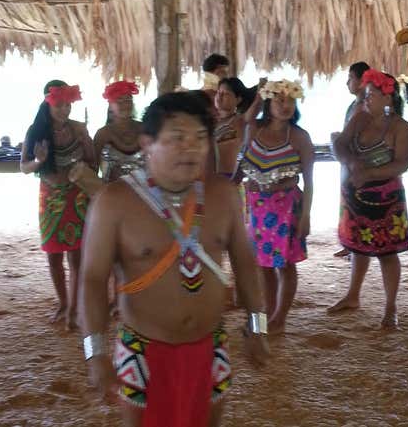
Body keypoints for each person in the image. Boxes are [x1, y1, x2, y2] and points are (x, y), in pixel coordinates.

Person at [81, 92, 269, 427]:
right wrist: (95, 353)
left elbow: (245, 262)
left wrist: (257, 326)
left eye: (200, 138)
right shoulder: (113, 202)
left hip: (210, 344)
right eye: (177, 138)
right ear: (146, 144)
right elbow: (93, 279)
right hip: (142, 348)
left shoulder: (224, 195)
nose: (191, 148)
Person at [328, 70, 408, 329]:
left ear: (387, 97)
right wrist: (351, 162)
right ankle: (353, 296)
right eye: (365, 95)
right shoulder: (360, 119)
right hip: (355, 193)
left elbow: (402, 164)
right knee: (357, 247)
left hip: (386, 198)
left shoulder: (400, 127)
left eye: (371, 95)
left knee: (387, 253)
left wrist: (368, 174)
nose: (366, 99)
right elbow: (340, 144)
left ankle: (391, 308)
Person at [237, 79, 314, 335]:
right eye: (279, 100)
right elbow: (246, 118)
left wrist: (306, 216)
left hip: (287, 207)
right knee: (263, 265)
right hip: (258, 207)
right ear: (268, 103)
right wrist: (258, 97)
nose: (285, 105)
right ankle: (267, 315)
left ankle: (279, 318)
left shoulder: (300, 137)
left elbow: (309, 181)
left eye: (290, 100)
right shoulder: (254, 129)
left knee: (285, 264)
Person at [20, 80, 96, 330]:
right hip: (50, 199)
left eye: (68, 105)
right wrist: (39, 161)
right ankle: (63, 303)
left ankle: (73, 309)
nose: (65, 110)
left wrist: (85, 164)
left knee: (76, 257)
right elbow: (24, 167)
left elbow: (93, 164)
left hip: (78, 197)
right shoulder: (36, 131)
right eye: (59, 105)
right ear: (47, 103)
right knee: (53, 256)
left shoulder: (79, 129)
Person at [332, 62, 370, 259]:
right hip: (348, 160)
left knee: (358, 202)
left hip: (359, 161)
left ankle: (357, 243)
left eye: (351, 78)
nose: (347, 83)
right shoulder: (353, 106)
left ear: (362, 80)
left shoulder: (367, 107)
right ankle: (349, 242)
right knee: (347, 200)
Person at [93, 80, 144, 183]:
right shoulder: (102, 134)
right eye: (119, 100)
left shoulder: (144, 128)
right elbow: (94, 169)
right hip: (111, 191)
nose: (125, 104)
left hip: (144, 191)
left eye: (128, 99)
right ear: (110, 106)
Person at [213, 77, 256, 177]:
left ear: (238, 99)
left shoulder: (240, 121)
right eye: (218, 92)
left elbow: (256, 106)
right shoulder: (209, 120)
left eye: (225, 93)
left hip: (229, 179)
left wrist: (260, 96)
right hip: (208, 178)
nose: (219, 96)